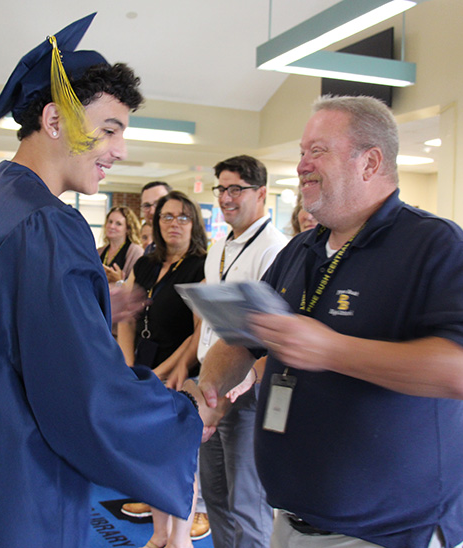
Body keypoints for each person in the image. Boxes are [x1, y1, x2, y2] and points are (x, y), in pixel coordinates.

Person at [0, 14, 212, 548]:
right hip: (20, 493)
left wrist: (92, 306)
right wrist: (183, 415)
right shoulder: (46, 224)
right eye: (111, 129)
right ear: (54, 120)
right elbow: (86, 395)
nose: (119, 150)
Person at [199, 95, 463, 548]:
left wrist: (331, 350)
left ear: (370, 162)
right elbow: (242, 340)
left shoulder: (435, 246)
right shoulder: (300, 251)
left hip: (391, 531)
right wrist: (211, 391)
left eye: (317, 151)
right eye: (301, 152)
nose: (301, 165)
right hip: (293, 517)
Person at [197, 155, 288, 548]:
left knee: (246, 501)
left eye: (236, 189)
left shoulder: (274, 249)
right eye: (222, 189)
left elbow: (270, 334)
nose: (226, 198)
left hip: (246, 392)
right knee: (215, 494)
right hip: (212, 382)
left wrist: (239, 384)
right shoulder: (219, 247)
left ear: (262, 193)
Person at [118, 190, 208, 548]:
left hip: (181, 372)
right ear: (156, 223)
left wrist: (166, 370)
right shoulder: (147, 263)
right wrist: (129, 365)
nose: (174, 224)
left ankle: (180, 540)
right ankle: (159, 535)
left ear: (194, 223)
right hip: (143, 368)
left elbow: (200, 331)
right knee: (151, 455)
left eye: (183, 217)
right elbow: (126, 315)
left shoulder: (201, 265)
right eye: (167, 217)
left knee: (179, 459)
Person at [98, 205, 144, 284]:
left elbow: (137, 287)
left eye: (118, 224)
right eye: (110, 222)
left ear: (128, 228)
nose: (112, 226)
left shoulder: (136, 252)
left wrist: (118, 282)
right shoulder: (99, 251)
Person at [140, 181, 172, 254]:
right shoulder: (149, 249)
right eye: (147, 205)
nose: (152, 211)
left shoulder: (181, 247)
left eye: (158, 204)